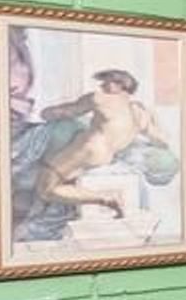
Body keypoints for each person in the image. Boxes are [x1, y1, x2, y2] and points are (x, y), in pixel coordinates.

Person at [33, 69, 171, 220]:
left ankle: (105, 198)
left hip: (87, 149)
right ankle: (80, 207)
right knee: (64, 180)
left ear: (120, 85)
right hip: (105, 157)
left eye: (107, 81)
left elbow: (65, 111)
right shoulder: (141, 113)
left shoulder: (99, 98)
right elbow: (162, 141)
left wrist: (46, 112)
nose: (102, 85)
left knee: (45, 188)